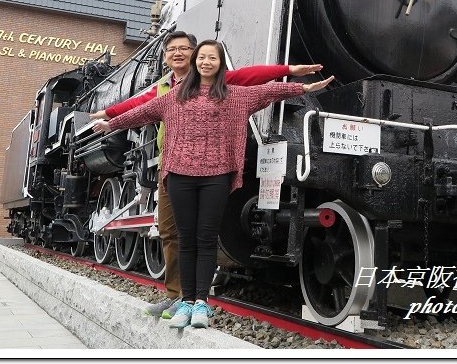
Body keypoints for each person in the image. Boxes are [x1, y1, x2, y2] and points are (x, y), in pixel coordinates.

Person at [94, 40, 333, 329]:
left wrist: (303, 88)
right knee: (186, 238)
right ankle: (185, 301)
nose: (206, 62)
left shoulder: (235, 95)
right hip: (180, 174)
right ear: (195, 62)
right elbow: (142, 111)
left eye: (213, 58)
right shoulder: (175, 95)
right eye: (202, 57)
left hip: (216, 175)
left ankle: (201, 304)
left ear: (220, 64)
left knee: (206, 239)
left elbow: (269, 90)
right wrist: (112, 123)